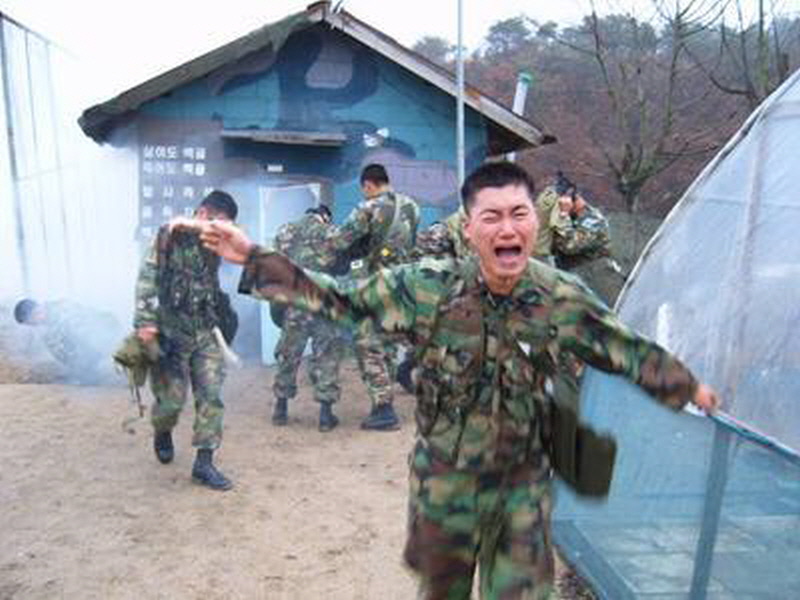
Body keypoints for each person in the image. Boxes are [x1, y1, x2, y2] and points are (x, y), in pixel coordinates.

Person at [198, 161, 720, 598]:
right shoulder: (427, 288)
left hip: (523, 490)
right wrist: (253, 257)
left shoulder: (560, 297)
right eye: (491, 217)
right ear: (468, 230)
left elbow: (621, 346)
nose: (507, 229)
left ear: (535, 222)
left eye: (519, 214)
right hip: (445, 486)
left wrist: (686, 386)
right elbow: (342, 297)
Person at [134, 189, 238, 491]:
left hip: (204, 331)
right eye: (220, 221)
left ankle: (204, 463)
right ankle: (163, 430)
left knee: (211, 395)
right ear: (203, 213)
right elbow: (147, 278)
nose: (224, 229)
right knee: (171, 398)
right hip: (172, 330)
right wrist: (145, 322)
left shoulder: (215, 243)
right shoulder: (170, 236)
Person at [325, 163, 421, 431]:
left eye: (364, 189)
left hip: (376, 286)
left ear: (368, 185)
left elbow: (338, 241)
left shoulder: (367, 208)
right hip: (404, 285)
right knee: (388, 341)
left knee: (368, 342)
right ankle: (392, 392)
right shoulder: (413, 206)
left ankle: (383, 409)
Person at [271, 205, 343, 432]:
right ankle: (325, 416)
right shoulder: (331, 232)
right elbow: (342, 266)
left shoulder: (286, 231)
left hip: (296, 302)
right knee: (327, 355)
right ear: (325, 217)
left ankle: (280, 409)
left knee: (289, 354)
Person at [14, 298, 121, 383]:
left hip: (106, 334)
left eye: (31, 320)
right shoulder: (48, 333)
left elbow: (87, 330)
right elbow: (66, 357)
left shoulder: (62, 309)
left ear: (36, 311)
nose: (34, 324)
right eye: (30, 324)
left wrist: (85, 365)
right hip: (97, 347)